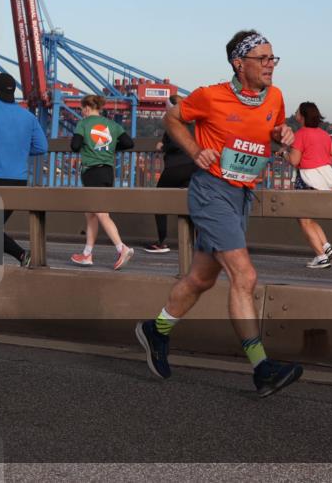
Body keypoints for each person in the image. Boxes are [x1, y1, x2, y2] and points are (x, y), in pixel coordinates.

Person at [136, 29, 302, 397]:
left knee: (201, 279)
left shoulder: (274, 97)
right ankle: (262, 368)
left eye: (273, 57)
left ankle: (156, 330)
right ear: (238, 64)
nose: (270, 65)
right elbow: (172, 119)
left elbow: (271, 129)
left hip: (242, 194)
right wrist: (196, 151)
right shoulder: (209, 96)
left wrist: (282, 134)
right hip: (211, 191)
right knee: (244, 276)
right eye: (263, 58)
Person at [0, 72, 49, 267]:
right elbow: (42, 147)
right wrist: (20, 151)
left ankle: (22, 255)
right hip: (19, 180)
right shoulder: (28, 116)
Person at [68, 94, 136, 270]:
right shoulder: (112, 125)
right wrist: (111, 148)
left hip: (92, 172)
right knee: (90, 213)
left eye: (82, 109)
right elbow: (129, 143)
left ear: (87, 108)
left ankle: (122, 248)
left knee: (101, 213)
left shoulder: (83, 123)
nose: (82, 113)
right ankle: (87, 254)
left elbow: (75, 145)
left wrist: (85, 144)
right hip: (107, 171)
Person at [288, 101, 332, 269]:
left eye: (297, 111)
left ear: (302, 117)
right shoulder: (324, 134)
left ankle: (321, 257)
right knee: (309, 218)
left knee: (303, 220)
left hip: (306, 180)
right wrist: (320, 160)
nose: (295, 113)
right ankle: (325, 246)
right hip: (323, 180)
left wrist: (283, 154)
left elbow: (295, 161)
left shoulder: (300, 134)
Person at [143, 95, 197, 254]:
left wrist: (162, 146)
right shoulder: (194, 124)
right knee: (189, 204)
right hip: (194, 167)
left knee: (159, 200)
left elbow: (175, 143)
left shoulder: (174, 123)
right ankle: (196, 243)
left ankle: (162, 242)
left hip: (176, 167)